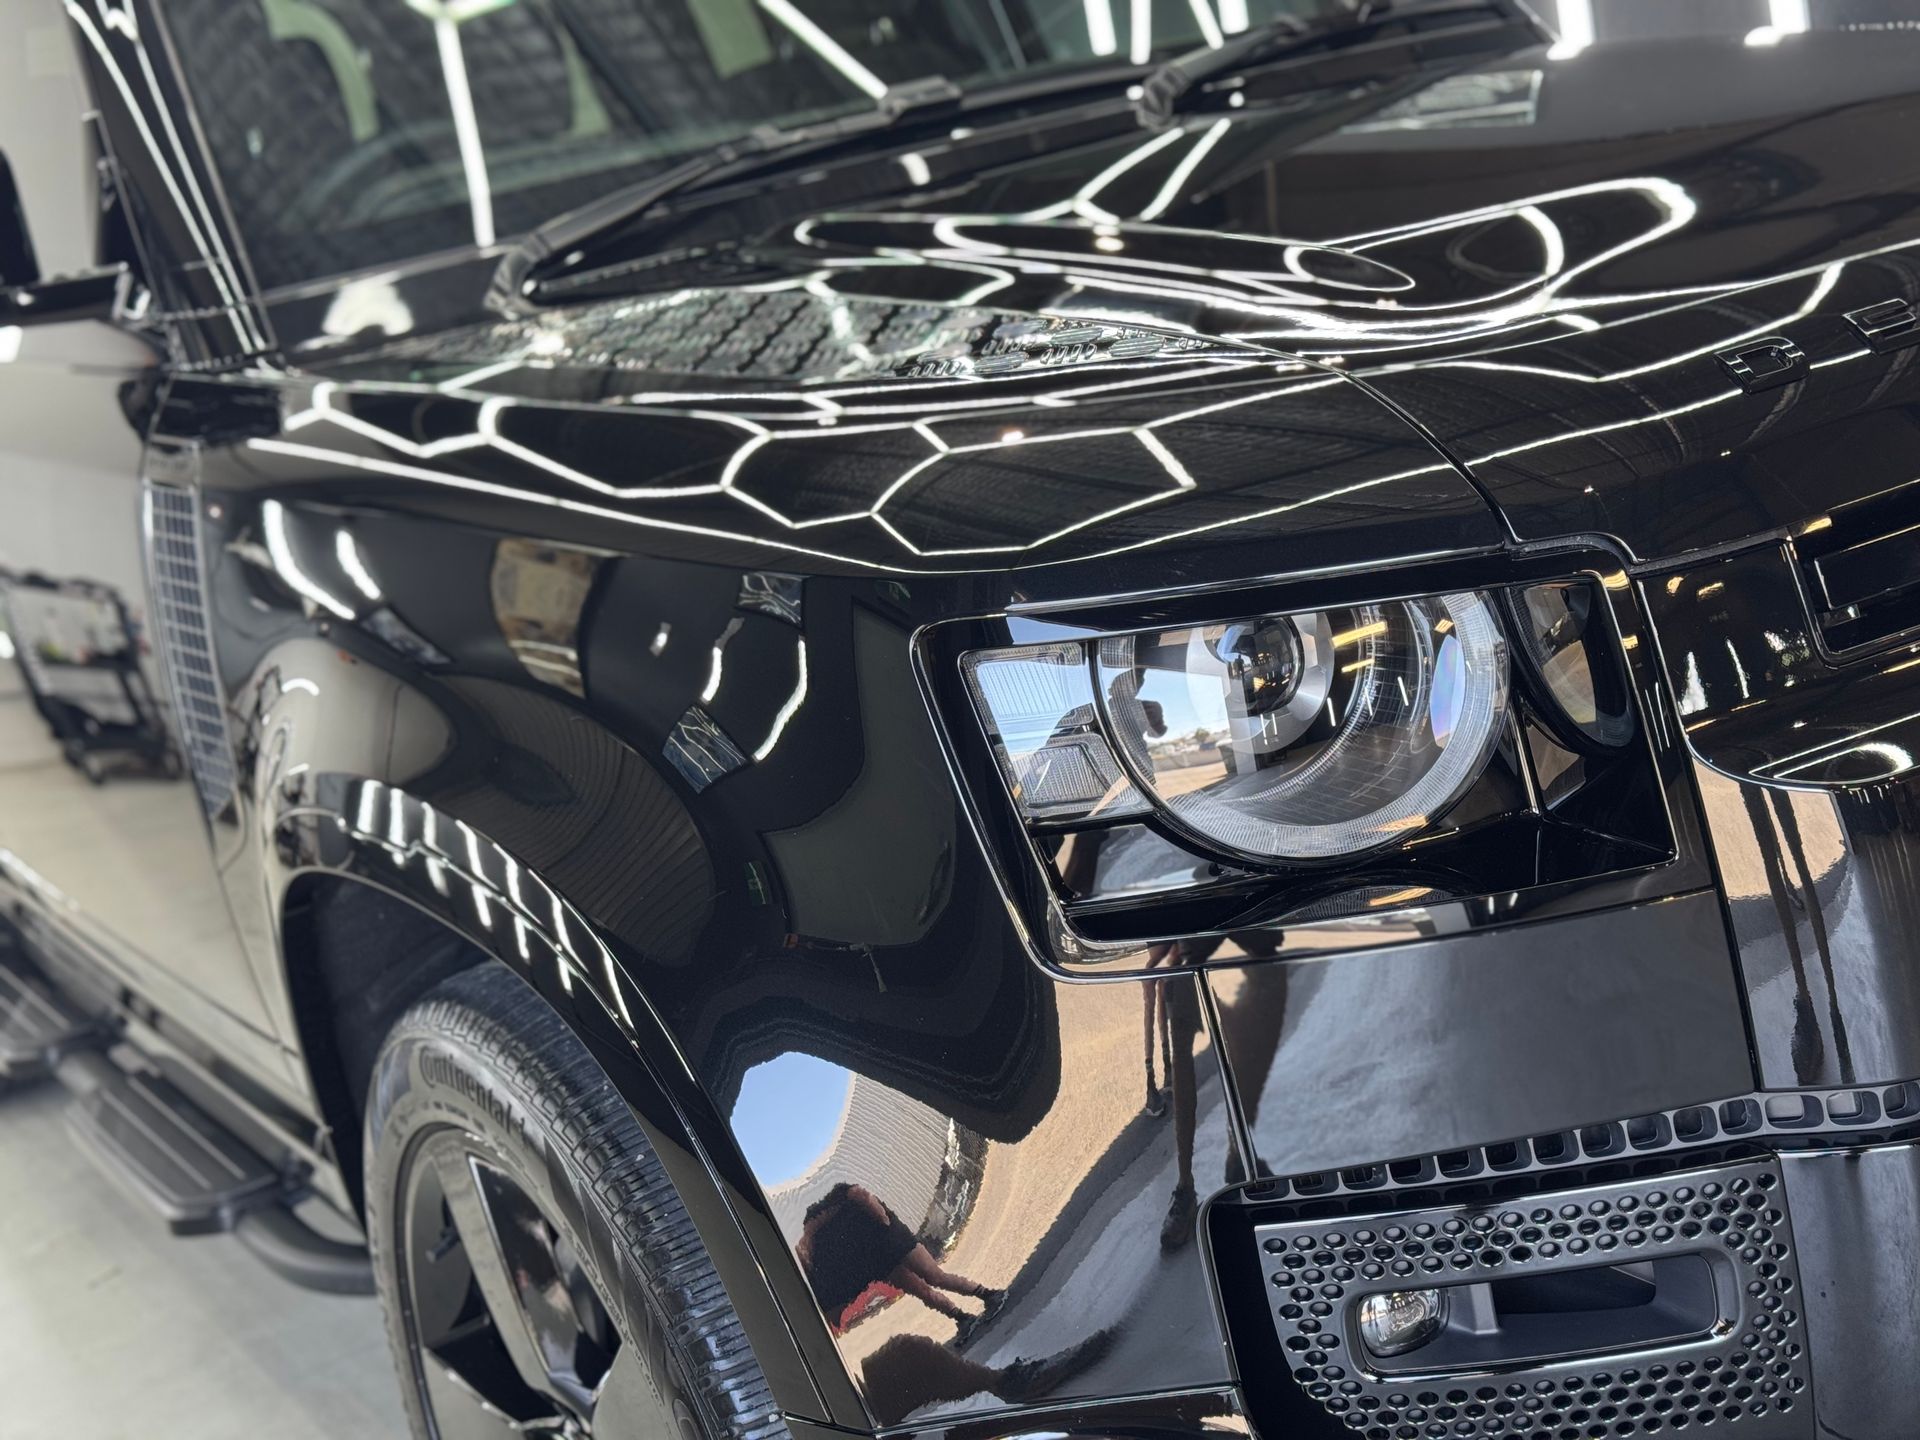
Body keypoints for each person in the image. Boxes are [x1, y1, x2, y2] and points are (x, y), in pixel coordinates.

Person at [798, 1182, 1005, 1342]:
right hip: (883, 1257)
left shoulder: (842, 1195)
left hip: (896, 1243)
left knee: (934, 1277)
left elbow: (866, 1198)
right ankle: (963, 1318)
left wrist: (884, 1222)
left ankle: (989, 1295)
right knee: (921, 1290)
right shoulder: (826, 1226)